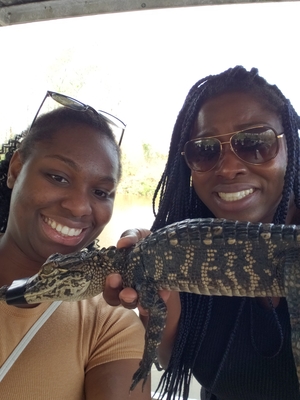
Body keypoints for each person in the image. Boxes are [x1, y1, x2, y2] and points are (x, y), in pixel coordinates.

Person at [106, 66, 300, 400]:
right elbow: (175, 356)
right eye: (205, 150)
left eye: (255, 143)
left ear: (291, 146)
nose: (228, 167)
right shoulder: (179, 253)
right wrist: (158, 298)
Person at [0, 91, 151, 400]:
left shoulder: (111, 320)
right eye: (58, 177)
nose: (80, 207)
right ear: (16, 170)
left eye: (100, 192)